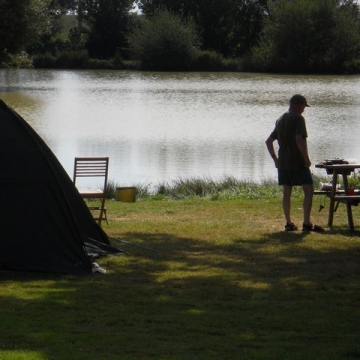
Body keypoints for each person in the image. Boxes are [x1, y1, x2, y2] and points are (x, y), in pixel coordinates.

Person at [265, 94, 324, 232]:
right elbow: (299, 139)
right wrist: (306, 158)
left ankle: (289, 223)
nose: (304, 109)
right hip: (297, 162)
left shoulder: (280, 119)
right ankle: (307, 223)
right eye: (304, 106)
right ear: (298, 105)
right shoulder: (298, 118)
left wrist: (275, 159)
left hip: (283, 163)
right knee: (309, 190)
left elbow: (268, 141)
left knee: (287, 192)